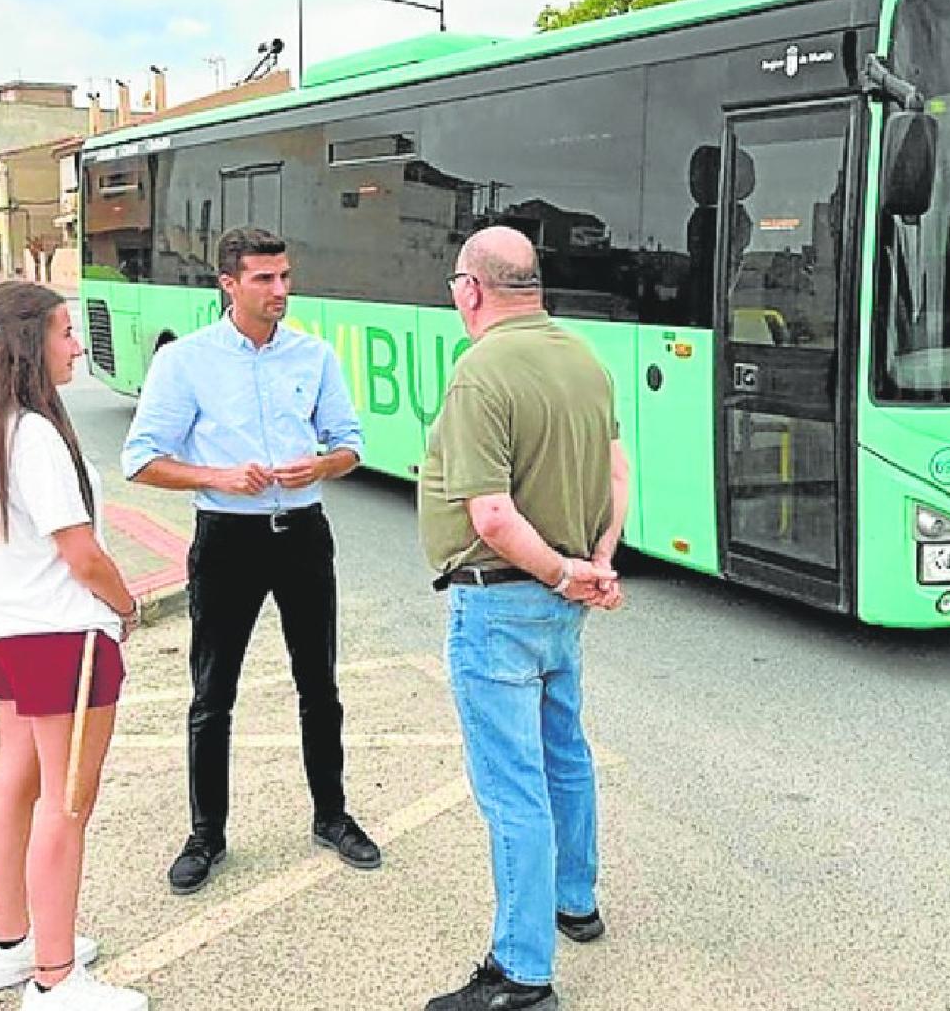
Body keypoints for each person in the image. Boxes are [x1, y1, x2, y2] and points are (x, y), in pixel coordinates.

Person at [120, 226, 380, 895]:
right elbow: (142, 460)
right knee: (213, 694)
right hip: (227, 538)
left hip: (302, 532)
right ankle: (207, 834)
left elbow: (350, 445)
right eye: (265, 279)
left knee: (319, 686)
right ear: (228, 285)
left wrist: (321, 464)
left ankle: (332, 815)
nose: (280, 291)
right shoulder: (186, 362)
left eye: (286, 276)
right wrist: (220, 476)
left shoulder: (313, 356)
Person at [418, 226, 630, 1011]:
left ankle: (521, 973)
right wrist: (596, 562)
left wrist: (565, 570)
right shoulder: (583, 357)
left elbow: (494, 514)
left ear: (471, 289)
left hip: (500, 598)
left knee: (512, 789)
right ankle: (577, 902)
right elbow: (616, 470)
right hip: (559, 607)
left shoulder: (480, 374)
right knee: (564, 754)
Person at [0, 281, 146, 1010]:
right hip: (62, 633)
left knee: (14, 784)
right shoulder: (33, 433)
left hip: (5, 629)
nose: (75, 345)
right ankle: (56, 979)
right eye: (64, 332)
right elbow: (81, 552)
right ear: (30, 343)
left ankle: (11, 946)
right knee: (66, 804)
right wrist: (127, 605)